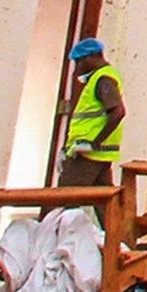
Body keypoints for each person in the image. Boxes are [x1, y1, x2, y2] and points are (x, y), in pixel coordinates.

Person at [58, 39, 126, 186]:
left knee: (64, 199)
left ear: (91, 57)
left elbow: (118, 112)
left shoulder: (103, 79)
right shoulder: (103, 77)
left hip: (86, 154)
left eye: (79, 62)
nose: (77, 69)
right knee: (105, 203)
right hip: (97, 154)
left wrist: (93, 144)